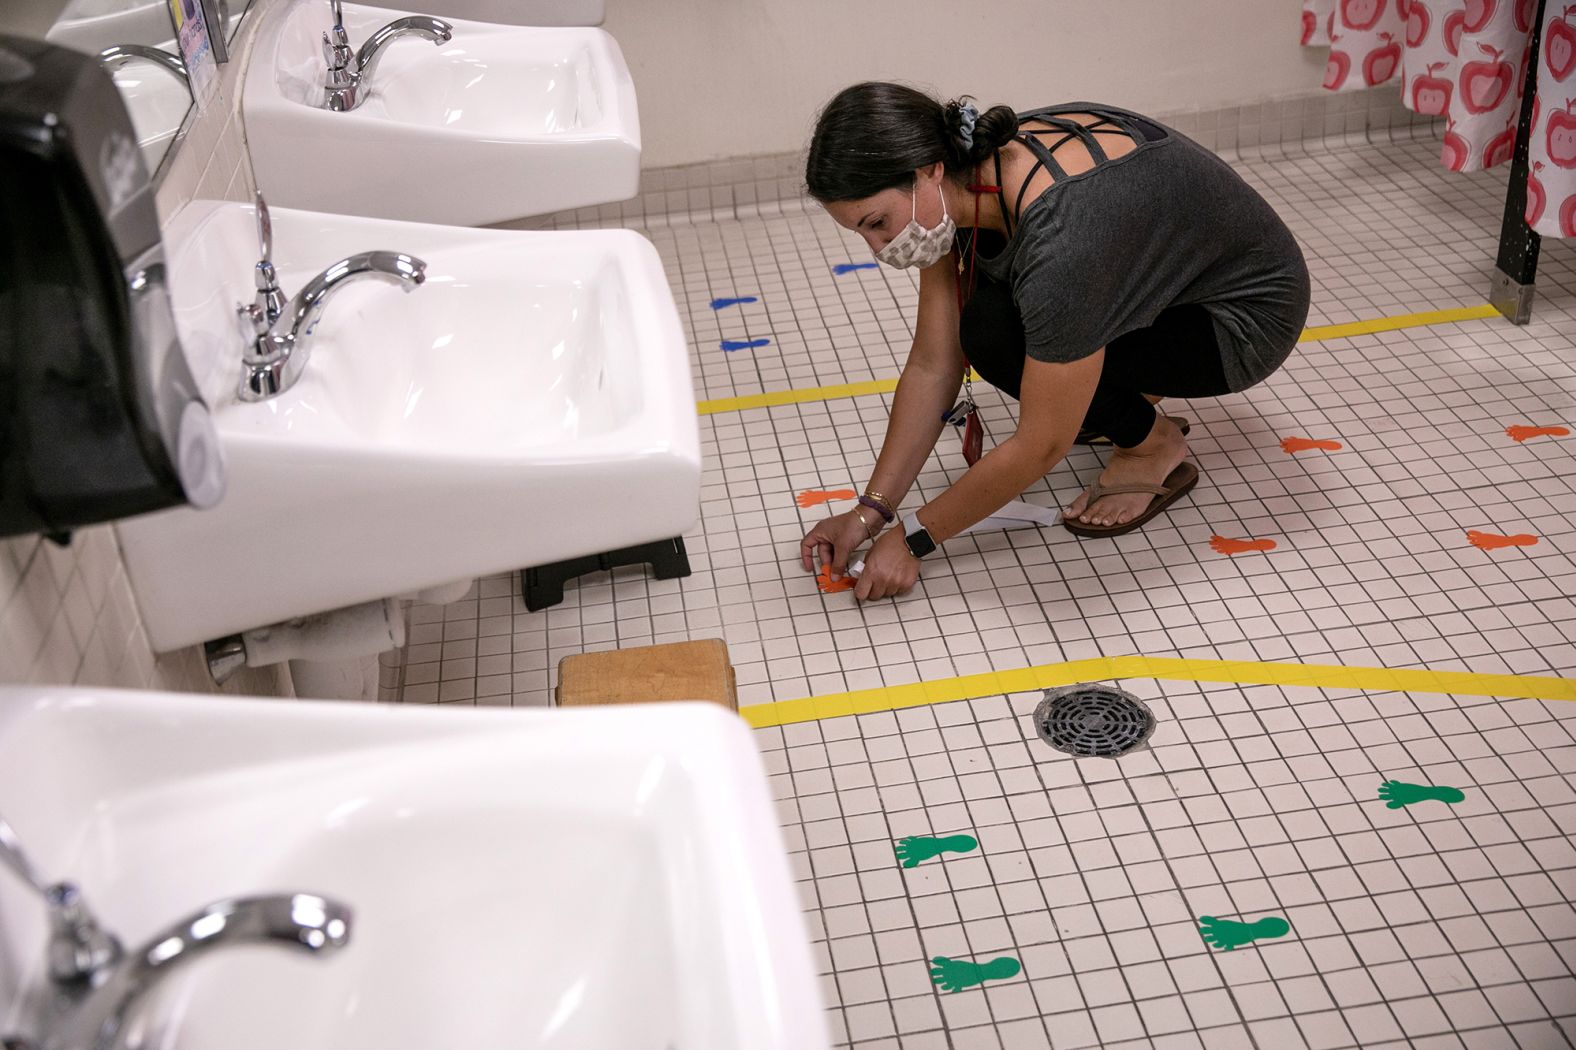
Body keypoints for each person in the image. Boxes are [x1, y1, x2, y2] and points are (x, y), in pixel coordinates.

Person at [797, 82, 1311, 602]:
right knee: (989, 325)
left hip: (1239, 324)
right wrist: (869, 514)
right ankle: (1103, 395)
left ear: (926, 169)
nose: (879, 248)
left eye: (878, 224)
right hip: (1166, 286)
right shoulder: (962, 174)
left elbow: (1042, 445)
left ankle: (1151, 446)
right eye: (861, 233)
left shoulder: (1063, 235)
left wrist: (912, 539)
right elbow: (935, 362)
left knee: (1000, 339)